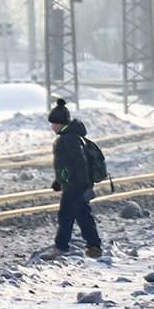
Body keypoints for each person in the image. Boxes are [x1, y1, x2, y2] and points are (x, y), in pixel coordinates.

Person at [42, 99, 102, 260]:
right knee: (83, 215)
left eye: (54, 123)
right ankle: (94, 246)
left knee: (65, 215)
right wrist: (59, 181)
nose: (52, 126)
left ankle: (61, 247)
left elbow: (78, 162)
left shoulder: (68, 139)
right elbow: (65, 165)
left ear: (61, 123)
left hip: (75, 185)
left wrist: (82, 185)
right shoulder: (72, 137)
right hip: (75, 184)